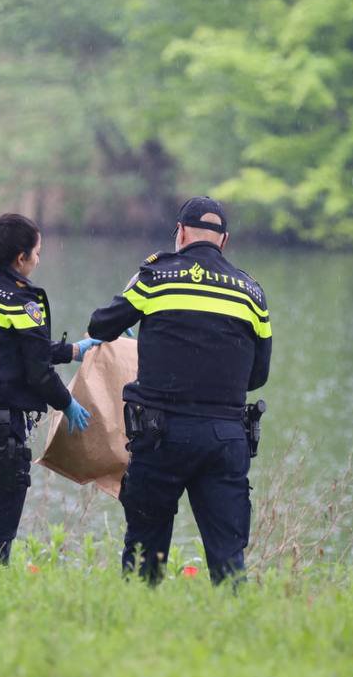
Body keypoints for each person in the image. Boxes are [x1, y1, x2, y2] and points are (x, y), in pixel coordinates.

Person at [86, 197, 271, 584]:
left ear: (181, 233)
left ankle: (139, 626)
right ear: (224, 240)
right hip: (225, 437)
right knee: (228, 555)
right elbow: (257, 377)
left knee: (145, 550)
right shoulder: (252, 293)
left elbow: (101, 325)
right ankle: (238, 627)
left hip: (161, 436)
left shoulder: (156, 276)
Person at [0, 213, 96, 562]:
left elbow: (4, 349)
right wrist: (66, 402)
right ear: (20, 257)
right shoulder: (22, 299)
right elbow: (37, 372)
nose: (39, 260)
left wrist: (71, 351)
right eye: (37, 253)